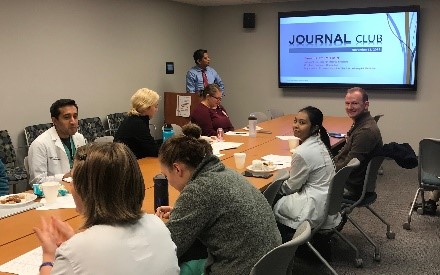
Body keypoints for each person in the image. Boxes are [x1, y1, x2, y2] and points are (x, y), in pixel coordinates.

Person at [33, 142, 180, 275]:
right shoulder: (158, 225)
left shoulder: (76, 251)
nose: (71, 187)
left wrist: (49, 256)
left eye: (73, 180)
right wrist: (75, 242)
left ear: (88, 191)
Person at [156, 124, 281, 275]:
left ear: (177, 169)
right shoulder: (223, 172)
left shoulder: (198, 190)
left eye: (166, 175)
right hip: (269, 263)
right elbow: (217, 208)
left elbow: (169, 248)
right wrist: (182, 212)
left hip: (239, 268)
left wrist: (153, 227)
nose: (168, 181)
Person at [273, 106, 339, 243]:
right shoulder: (319, 143)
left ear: (314, 128)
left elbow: (291, 187)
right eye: (295, 121)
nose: (296, 126)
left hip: (314, 206)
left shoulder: (302, 152)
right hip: (327, 201)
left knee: (271, 201)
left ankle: (281, 243)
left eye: (302, 123)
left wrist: (275, 187)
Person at [333, 87, 383, 200]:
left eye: (354, 103)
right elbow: (344, 156)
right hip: (352, 181)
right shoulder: (361, 123)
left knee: (306, 185)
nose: (349, 107)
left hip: (350, 187)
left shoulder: (365, 131)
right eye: (347, 103)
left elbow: (349, 167)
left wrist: (324, 170)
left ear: (366, 105)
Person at [28, 99, 87, 185]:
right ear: (54, 121)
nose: (73, 122)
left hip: (78, 188)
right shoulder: (40, 144)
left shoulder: (79, 138)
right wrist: (65, 176)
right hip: (54, 193)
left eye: (75, 116)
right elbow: (37, 181)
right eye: (67, 117)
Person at [114, 88, 160, 159]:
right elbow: (154, 151)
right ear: (146, 107)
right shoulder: (137, 124)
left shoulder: (133, 118)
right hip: (126, 164)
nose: (157, 110)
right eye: (155, 106)